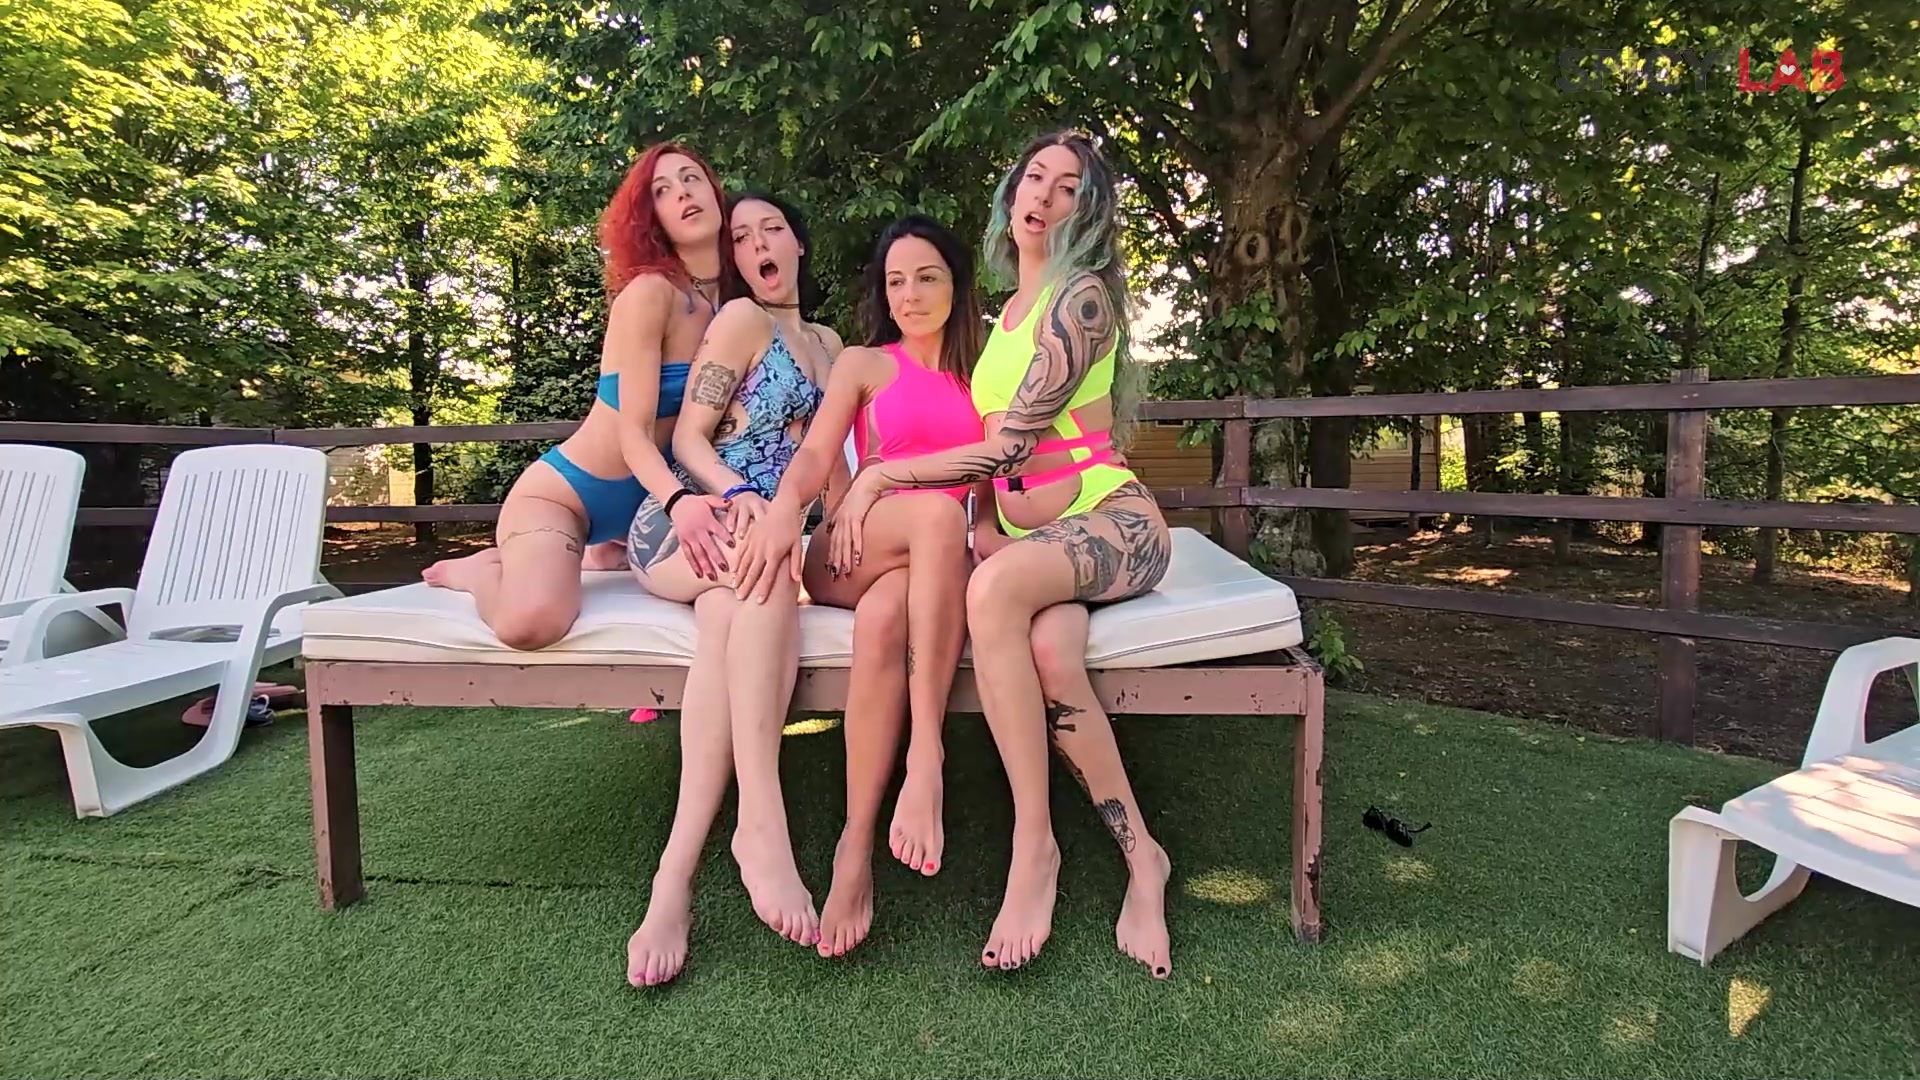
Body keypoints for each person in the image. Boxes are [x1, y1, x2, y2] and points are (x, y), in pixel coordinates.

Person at [828, 131, 1175, 979]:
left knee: (994, 595)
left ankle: (1035, 847)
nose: (1043, 197)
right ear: (1010, 193)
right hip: (1039, 544)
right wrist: (981, 528)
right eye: (1034, 178)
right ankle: (1146, 859)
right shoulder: (1007, 318)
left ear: (1088, 212)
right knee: (1050, 653)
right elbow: (994, 473)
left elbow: (1009, 446)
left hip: (1112, 521)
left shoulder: (1080, 299)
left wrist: (880, 477)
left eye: (1067, 188)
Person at [732, 215, 985, 958]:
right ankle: (927, 755)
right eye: (895, 281)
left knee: (884, 619)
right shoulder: (866, 364)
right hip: (851, 547)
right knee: (934, 517)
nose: (910, 295)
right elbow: (815, 457)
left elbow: (1002, 478)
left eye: (927, 277)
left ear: (956, 283)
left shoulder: (987, 372)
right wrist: (786, 511)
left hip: (933, 564)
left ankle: (852, 845)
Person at [621, 191, 844, 987]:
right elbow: (686, 438)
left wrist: (847, 523)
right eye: (742, 236)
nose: (756, 244)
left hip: (759, 542)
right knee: (764, 563)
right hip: (686, 522)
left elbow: (831, 467)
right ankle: (761, 820)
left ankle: (671, 884)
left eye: (771, 229)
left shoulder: (831, 345)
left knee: (727, 626)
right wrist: (740, 495)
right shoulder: (742, 321)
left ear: (798, 243)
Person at [422, 143, 736, 647]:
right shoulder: (651, 294)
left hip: (644, 508)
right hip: (567, 496)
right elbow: (634, 435)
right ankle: (480, 572)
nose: (682, 193)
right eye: (662, 190)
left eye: (691, 178)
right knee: (531, 624)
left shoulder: (736, 305)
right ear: (651, 218)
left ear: (716, 193)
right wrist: (679, 503)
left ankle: (598, 553)